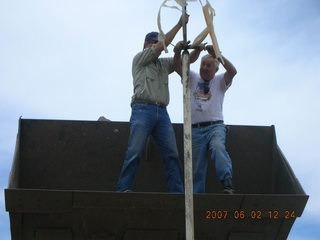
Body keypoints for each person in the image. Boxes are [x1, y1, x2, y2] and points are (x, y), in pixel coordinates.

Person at [117, 15, 189, 193]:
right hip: (142, 108)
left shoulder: (163, 64)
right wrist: (180, 24)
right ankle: (124, 189)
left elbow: (186, 62)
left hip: (162, 112)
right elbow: (160, 47)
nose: (160, 45)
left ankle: (177, 192)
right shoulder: (140, 59)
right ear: (147, 44)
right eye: (156, 43)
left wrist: (182, 50)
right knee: (134, 152)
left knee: (172, 154)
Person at [174, 43, 237, 194]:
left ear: (215, 69)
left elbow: (233, 71)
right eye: (203, 64)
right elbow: (179, 67)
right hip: (194, 129)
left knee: (218, 147)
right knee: (196, 166)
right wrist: (182, 52)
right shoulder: (193, 78)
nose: (205, 67)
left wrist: (217, 55)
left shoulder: (220, 81)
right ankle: (197, 197)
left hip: (215, 126)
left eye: (209, 65)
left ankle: (227, 183)